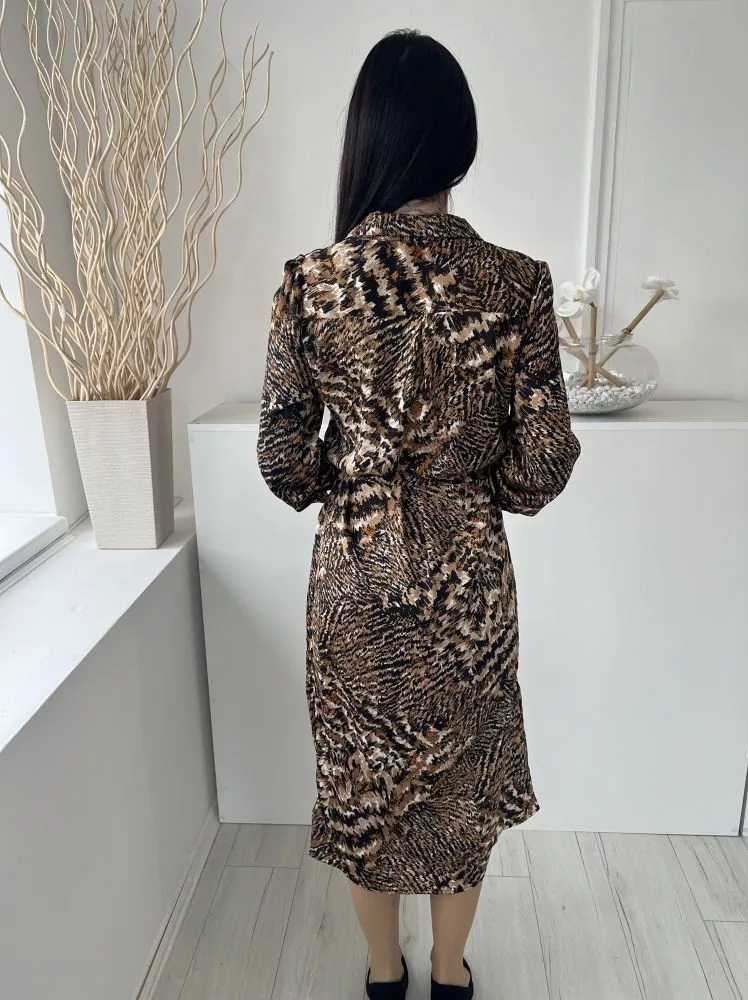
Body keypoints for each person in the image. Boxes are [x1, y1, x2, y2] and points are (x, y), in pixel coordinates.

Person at [257, 28, 581, 1000]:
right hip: (468, 586)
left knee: (368, 788)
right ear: (458, 143)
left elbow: (281, 459)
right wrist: (478, 489)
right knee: (459, 791)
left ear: (367, 140)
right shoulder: (516, 283)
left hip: (354, 582)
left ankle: (382, 972)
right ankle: (449, 974)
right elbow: (545, 463)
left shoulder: (311, 283)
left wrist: (355, 475)